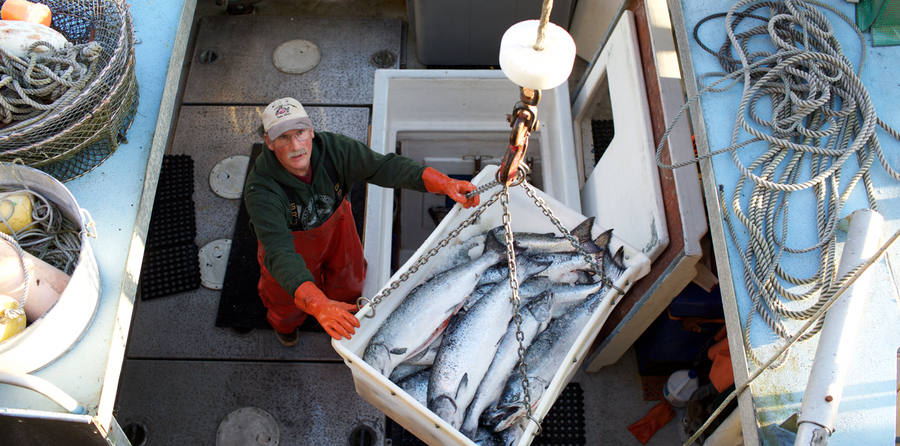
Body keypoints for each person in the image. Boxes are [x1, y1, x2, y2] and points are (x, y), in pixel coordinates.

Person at [244, 98, 480, 346]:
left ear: (311, 130)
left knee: (350, 281)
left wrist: (445, 183)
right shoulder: (260, 191)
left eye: (300, 133)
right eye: (283, 137)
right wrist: (318, 304)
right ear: (268, 142)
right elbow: (279, 251)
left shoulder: (337, 150)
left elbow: (385, 167)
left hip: (337, 230)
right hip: (291, 249)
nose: (295, 146)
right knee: (285, 302)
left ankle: (343, 316)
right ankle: (286, 328)